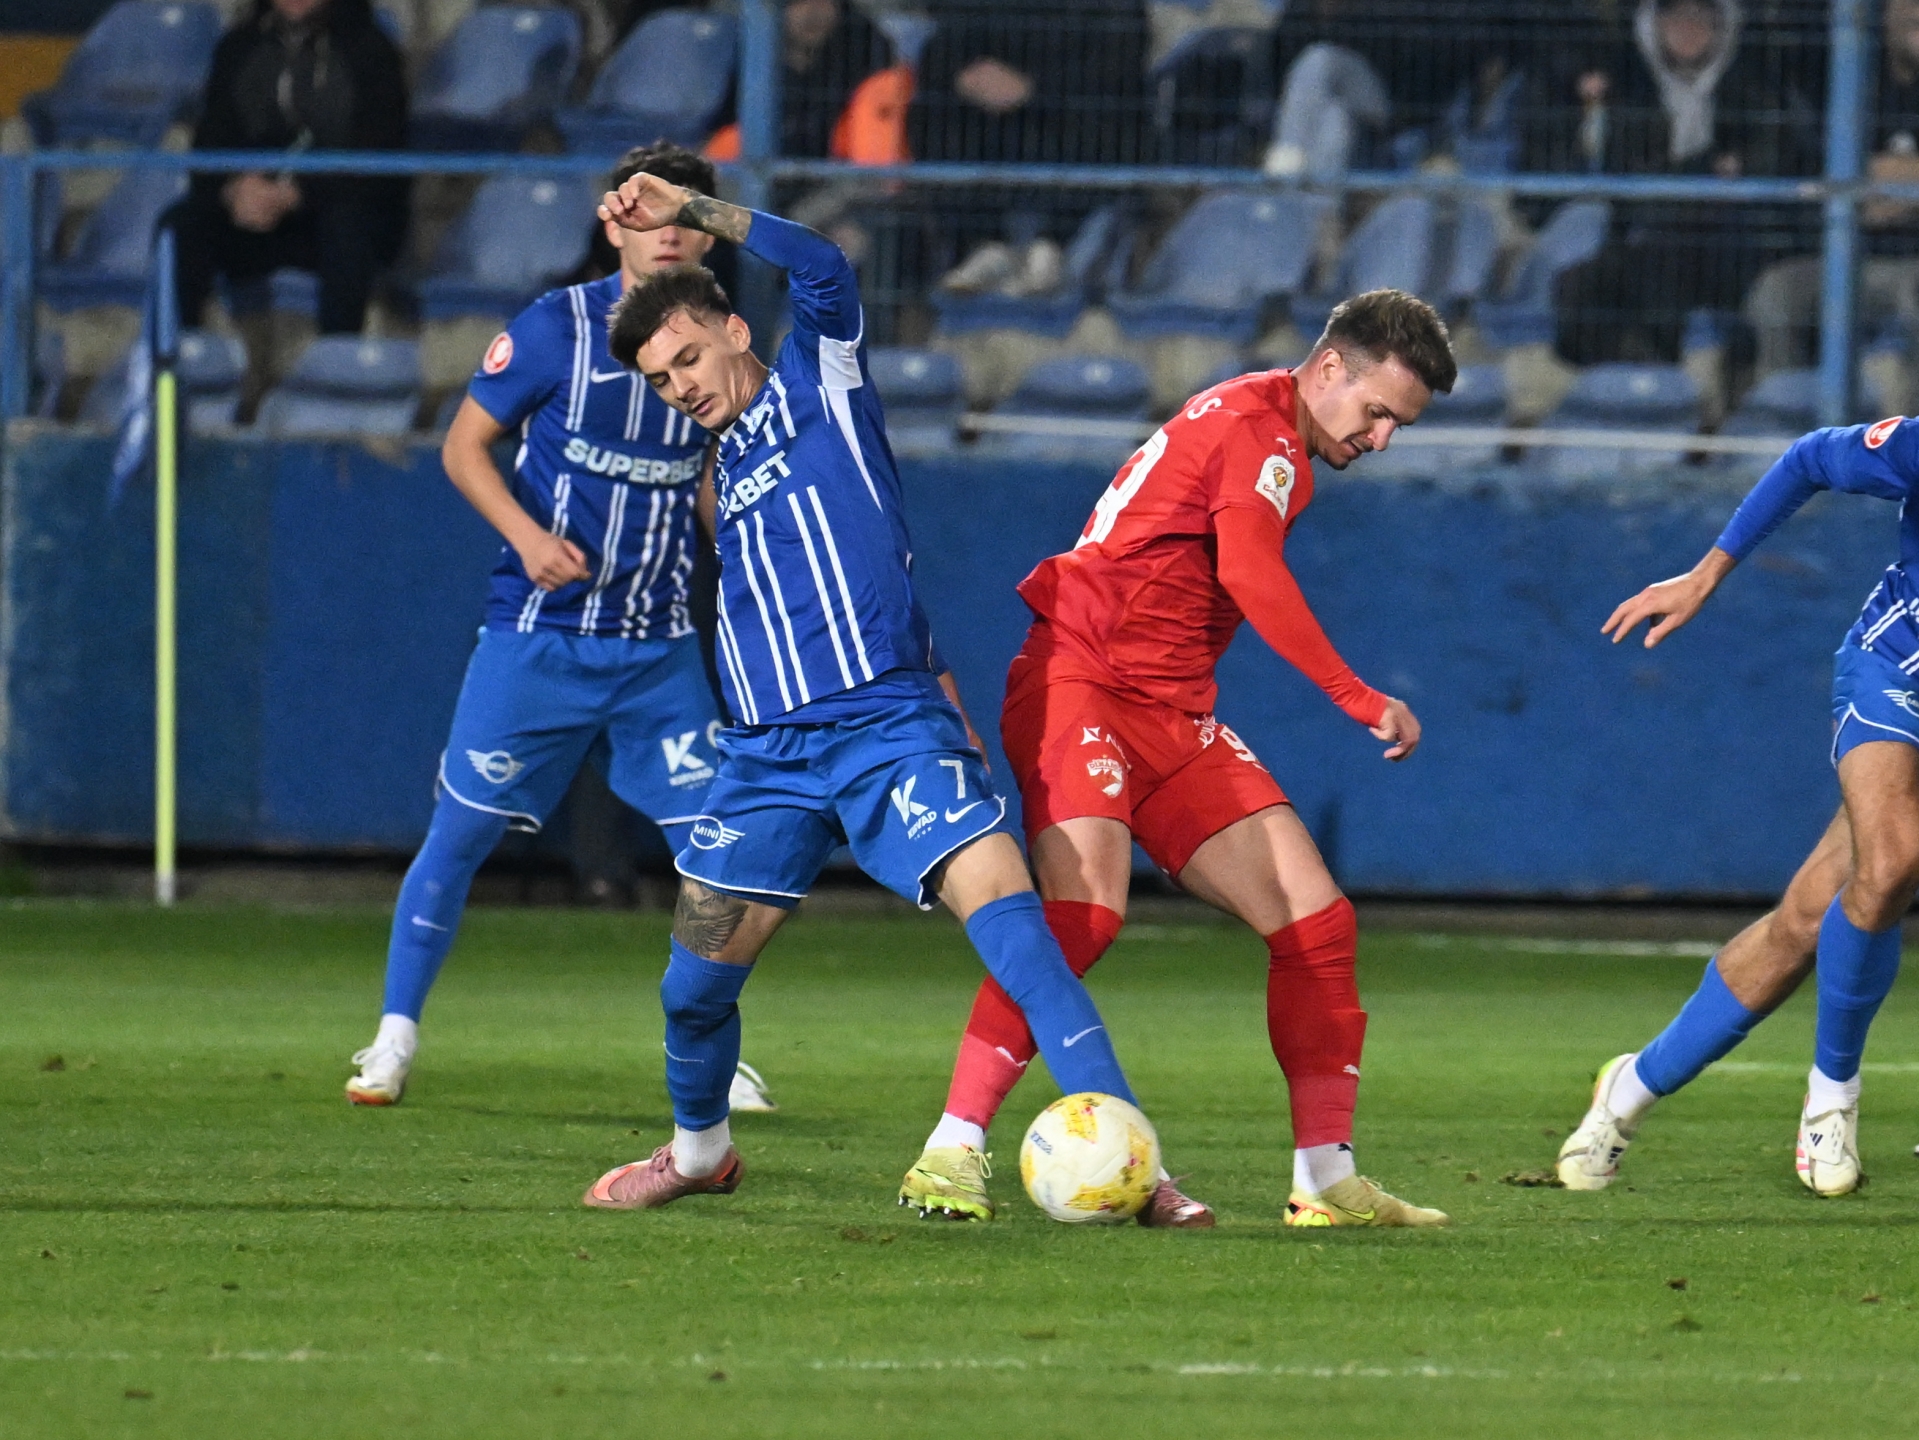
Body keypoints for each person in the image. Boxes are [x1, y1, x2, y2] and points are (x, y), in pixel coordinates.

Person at [579, 172, 1152, 1212]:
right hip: (765, 762)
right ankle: (700, 1157)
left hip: (888, 729)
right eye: (660, 382)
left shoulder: (820, 382)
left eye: (688, 360)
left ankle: (1141, 1174)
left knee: (1017, 931)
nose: (680, 388)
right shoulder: (718, 471)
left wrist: (692, 212)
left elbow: (824, 265)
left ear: (734, 330)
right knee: (691, 989)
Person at [899, 291, 1459, 1230]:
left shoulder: (1270, 432)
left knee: (1316, 922)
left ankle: (1325, 1180)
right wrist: (1355, 694)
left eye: (1398, 424)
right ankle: (949, 1151)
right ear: (1328, 368)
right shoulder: (1258, 433)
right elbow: (1248, 571)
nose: (1381, 439)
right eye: (1376, 413)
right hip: (1080, 680)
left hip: (1170, 710)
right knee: (1082, 915)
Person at [342, 145, 769, 1117]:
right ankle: (394, 1035)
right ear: (612, 223)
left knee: (719, 856)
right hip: (539, 636)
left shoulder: (720, 340)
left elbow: (712, 474)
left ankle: (710, 1045)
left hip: (659, 648)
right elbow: (464, 445)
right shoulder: (555, 328)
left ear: (708, 234)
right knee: (459, 833)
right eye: (647, 212)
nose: (668, 231)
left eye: (687, 215)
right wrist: (528, 538)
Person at [1557, 411, 1919, 1198]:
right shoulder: (1914, 447)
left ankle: (1626, 1090)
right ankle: (1831, 1101)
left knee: (1807, 917)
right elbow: (1809, 458)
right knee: (1892, 861)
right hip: (1895, 668)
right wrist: (1704, 573)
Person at [170, 0, 409, 337]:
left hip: (331, 213)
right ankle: (182, 351)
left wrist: (297, 194)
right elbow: (209, 150)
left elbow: (379, 165)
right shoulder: (238, 47)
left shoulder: (372, 52)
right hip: (252, 214)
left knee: (348, 231)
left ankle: (338, 355)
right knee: (180, 227)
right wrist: (233, 190)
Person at [1746, 0, 1919, 375]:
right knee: (1775, 294)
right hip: (1841, 257)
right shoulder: (1847, 78)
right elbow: (1832, 180)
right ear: (1884, 13)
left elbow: (1867, 184)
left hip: (1912, 263)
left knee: (1913, 297)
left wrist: (1887, 182)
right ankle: (1785, 404)